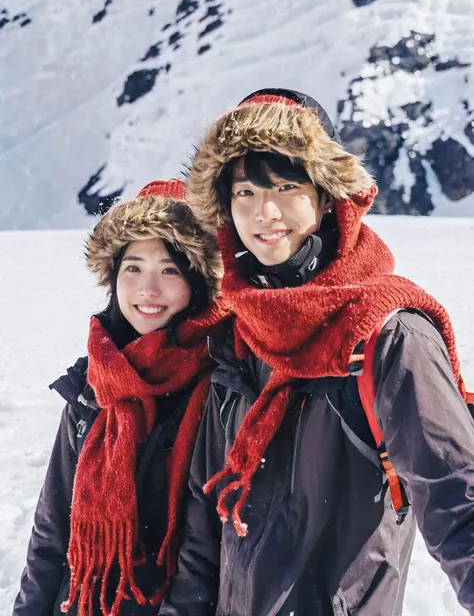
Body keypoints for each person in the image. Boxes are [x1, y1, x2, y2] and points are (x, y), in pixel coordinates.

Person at [159, 88, 474, 616]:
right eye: (245, 193)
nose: (266, 211)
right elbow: (204, 525)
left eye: (286, 185)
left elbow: (459, 505)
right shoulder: (238, 339)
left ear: (327, 196)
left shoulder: (386, 334)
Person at [13, 179, 225, 616]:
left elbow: (204, 554)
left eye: (169, 270)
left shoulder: (218, 387)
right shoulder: (92, 384)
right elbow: (53, 533)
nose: (148, 290)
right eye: (133, 268)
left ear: (197, 282)